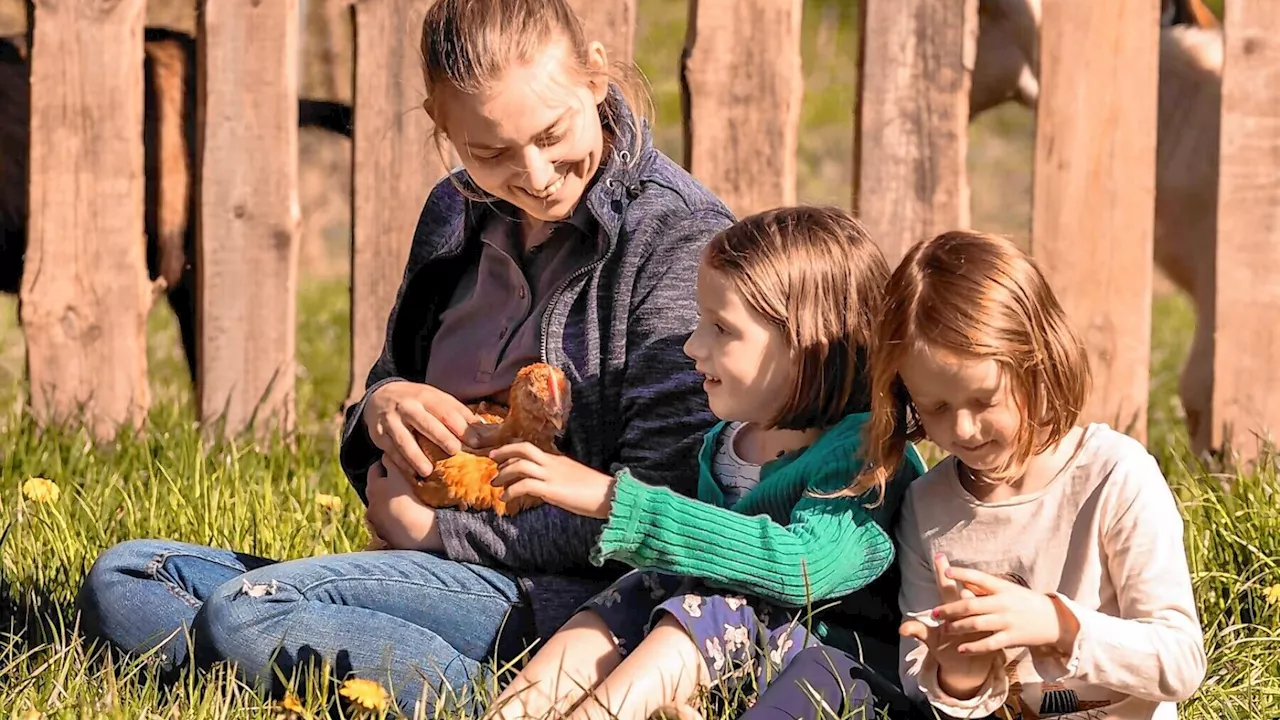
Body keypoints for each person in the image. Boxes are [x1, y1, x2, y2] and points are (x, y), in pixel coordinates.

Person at [75, 0, 734, 713]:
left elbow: (666, 509)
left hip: (562, 594)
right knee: (126, 577)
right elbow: (388, 391)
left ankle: (526, 697)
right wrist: (382, 408)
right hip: (419, 563)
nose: (535, 174)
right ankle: (341, 657)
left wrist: (439, 532)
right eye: (490, 152)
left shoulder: (673, 243)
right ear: (442, 125)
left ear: (596, 79)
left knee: (241, 614)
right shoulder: (454, 211)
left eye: (551, 135)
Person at [738, 231, 1207, 720]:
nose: (961, 428)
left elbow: (1180, 661)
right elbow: (921, 680)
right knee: (822, 675)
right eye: (935, 407)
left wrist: (1056, 623)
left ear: (1038, 362)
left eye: (984, 400)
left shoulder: (1114, 476)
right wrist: (960, 674)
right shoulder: (929, 506)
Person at [480, 207, 926, 720]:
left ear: (810, 344)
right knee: (645, 585)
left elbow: (801, 569)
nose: (693, 346)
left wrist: (614, 500)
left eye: (721, 328)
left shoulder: (866, 451)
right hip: (732, 657)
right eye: (700, 321)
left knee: (717, 603)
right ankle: (515, 712)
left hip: (840, 672)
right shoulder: (726, 442)